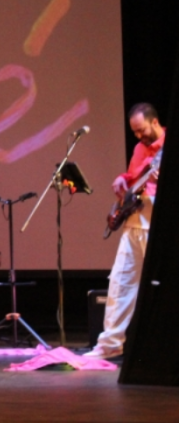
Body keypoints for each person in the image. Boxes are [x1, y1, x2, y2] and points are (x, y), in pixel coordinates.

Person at [85, 103, 165, 359]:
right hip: (134, 222)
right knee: (121, 283)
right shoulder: (140, 148)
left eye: (142, 130)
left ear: (155, 123)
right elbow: (135, 179)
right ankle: (110, 344)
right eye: (135, 132)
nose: (139, 136)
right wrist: (123, 179)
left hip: (156, 222)